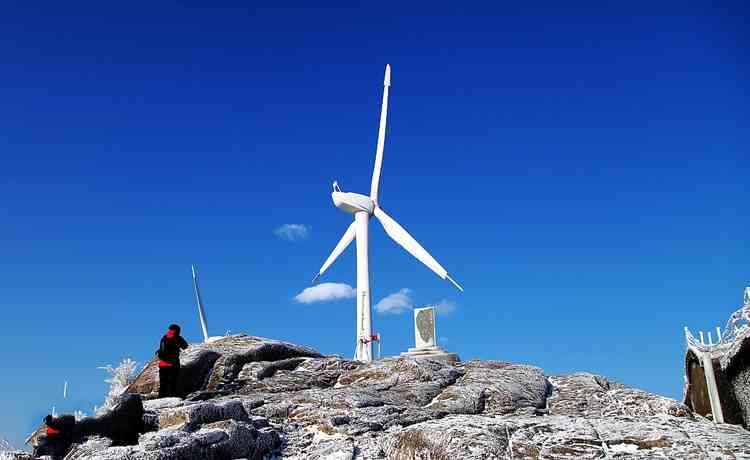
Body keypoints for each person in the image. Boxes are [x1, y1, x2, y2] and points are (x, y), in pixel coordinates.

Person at [156, 323, 188, 398]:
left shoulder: (164, 338)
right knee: (173, 382)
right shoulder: (177, 337)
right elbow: (185, 346)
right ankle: (172, 397)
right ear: (177, 330)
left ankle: (161, 398)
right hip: (173, 363)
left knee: (163, 383)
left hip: (163, 364)